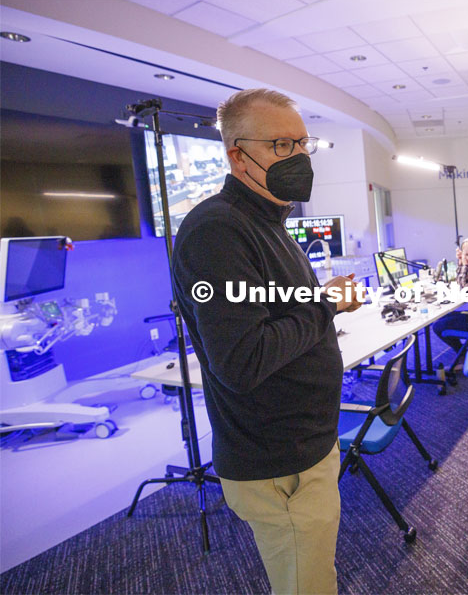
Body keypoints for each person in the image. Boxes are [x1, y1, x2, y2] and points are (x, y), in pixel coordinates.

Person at [173, 89, 363, 595]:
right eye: (281, 145)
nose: (298, 158)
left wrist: (319, 300)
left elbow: (282, 313)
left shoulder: (270, 222)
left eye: (303, 144)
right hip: (280, 464)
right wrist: (325, 305)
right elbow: (243, 359)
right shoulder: (217, 231)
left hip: (305, 447)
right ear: (237, 154)